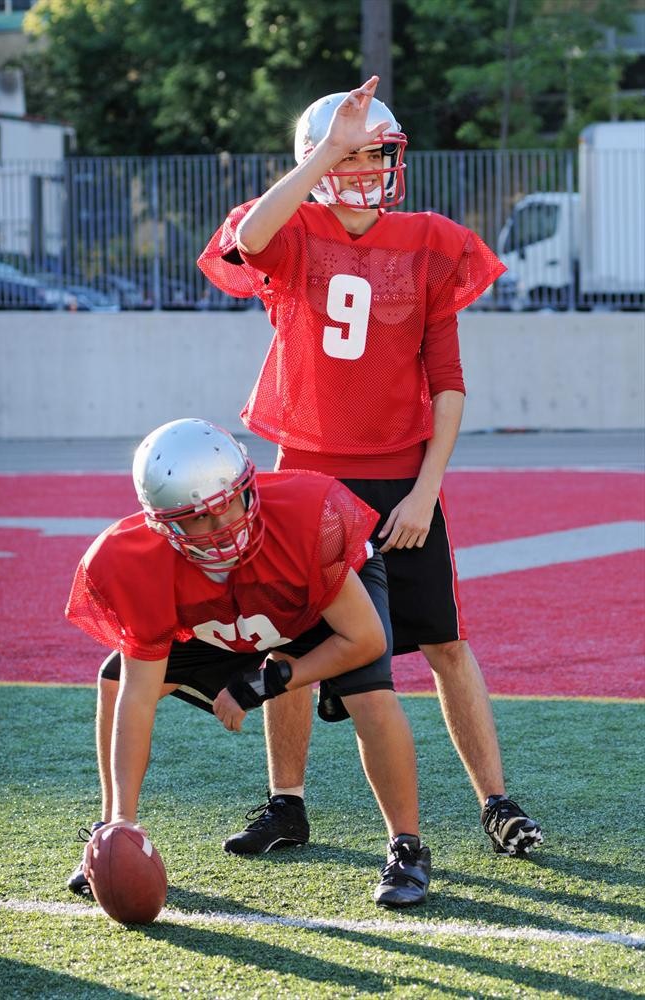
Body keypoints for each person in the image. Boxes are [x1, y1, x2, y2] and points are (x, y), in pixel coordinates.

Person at [198, 76, 543, 858]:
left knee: (446, 643)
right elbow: (250, 238)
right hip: (308, 477)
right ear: (316, 161)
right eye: (348, 156)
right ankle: (286, 802)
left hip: (401, 481)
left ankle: (496, 799)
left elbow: (448, 386)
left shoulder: (430, 241)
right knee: (294, 644)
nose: (365, 168)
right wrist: (324, 151)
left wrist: (426, 491)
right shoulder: (292, 232)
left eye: (374, 153)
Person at [65, 417, 431, 908]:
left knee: (370, 693)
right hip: (223, 613)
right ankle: (113, 827)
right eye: (198, 517)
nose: (223, 527)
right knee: (116, 680)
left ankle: (406, 847)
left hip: (312, 602)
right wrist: (123, 824)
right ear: (163, 523)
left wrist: (268, 681)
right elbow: (137, 698)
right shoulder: (135, 561)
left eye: (228, 504)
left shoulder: (306, 520)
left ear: (249, 487)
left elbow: (363, 640)